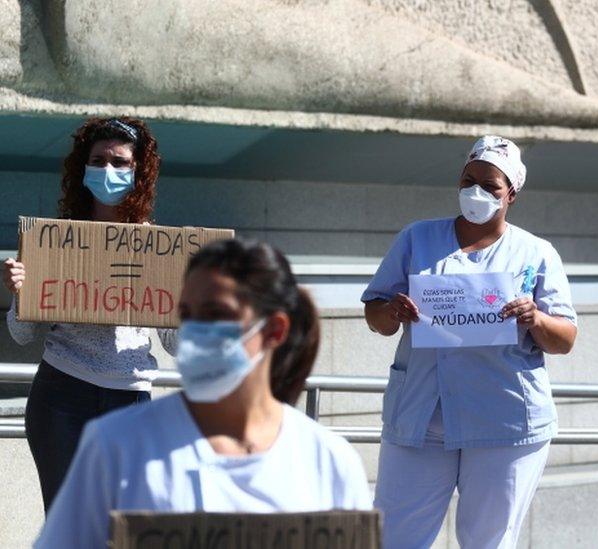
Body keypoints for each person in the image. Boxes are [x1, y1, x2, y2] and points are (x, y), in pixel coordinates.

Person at [34, 239, 372, 548]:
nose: (195, 330)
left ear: (274, 330)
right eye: (187, 315)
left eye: (215, 314)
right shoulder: (116, 445)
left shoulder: (329, 462)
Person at [362, 135, 578, 548]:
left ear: (511, 194)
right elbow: (376, 316)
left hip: (506, 423)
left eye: (490, 185)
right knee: (396, 538)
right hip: (421, 419)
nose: (475, 192)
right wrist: (392, 312)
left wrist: (535, 318)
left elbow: (564, 338)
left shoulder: (536, 253)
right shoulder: (417, 239)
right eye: (468, 180)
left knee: (489, 542)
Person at [2, 116, 177, 511]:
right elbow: (21, 333)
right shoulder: (56, 240)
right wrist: (20, 292)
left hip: (129, 399)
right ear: (83, 168)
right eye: (99, 160)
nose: (108, 171)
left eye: (120, 162)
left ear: (139, 172)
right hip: (61, 392)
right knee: (67, 521)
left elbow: (176, 344)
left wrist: (194, 307)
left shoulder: (158, 247)